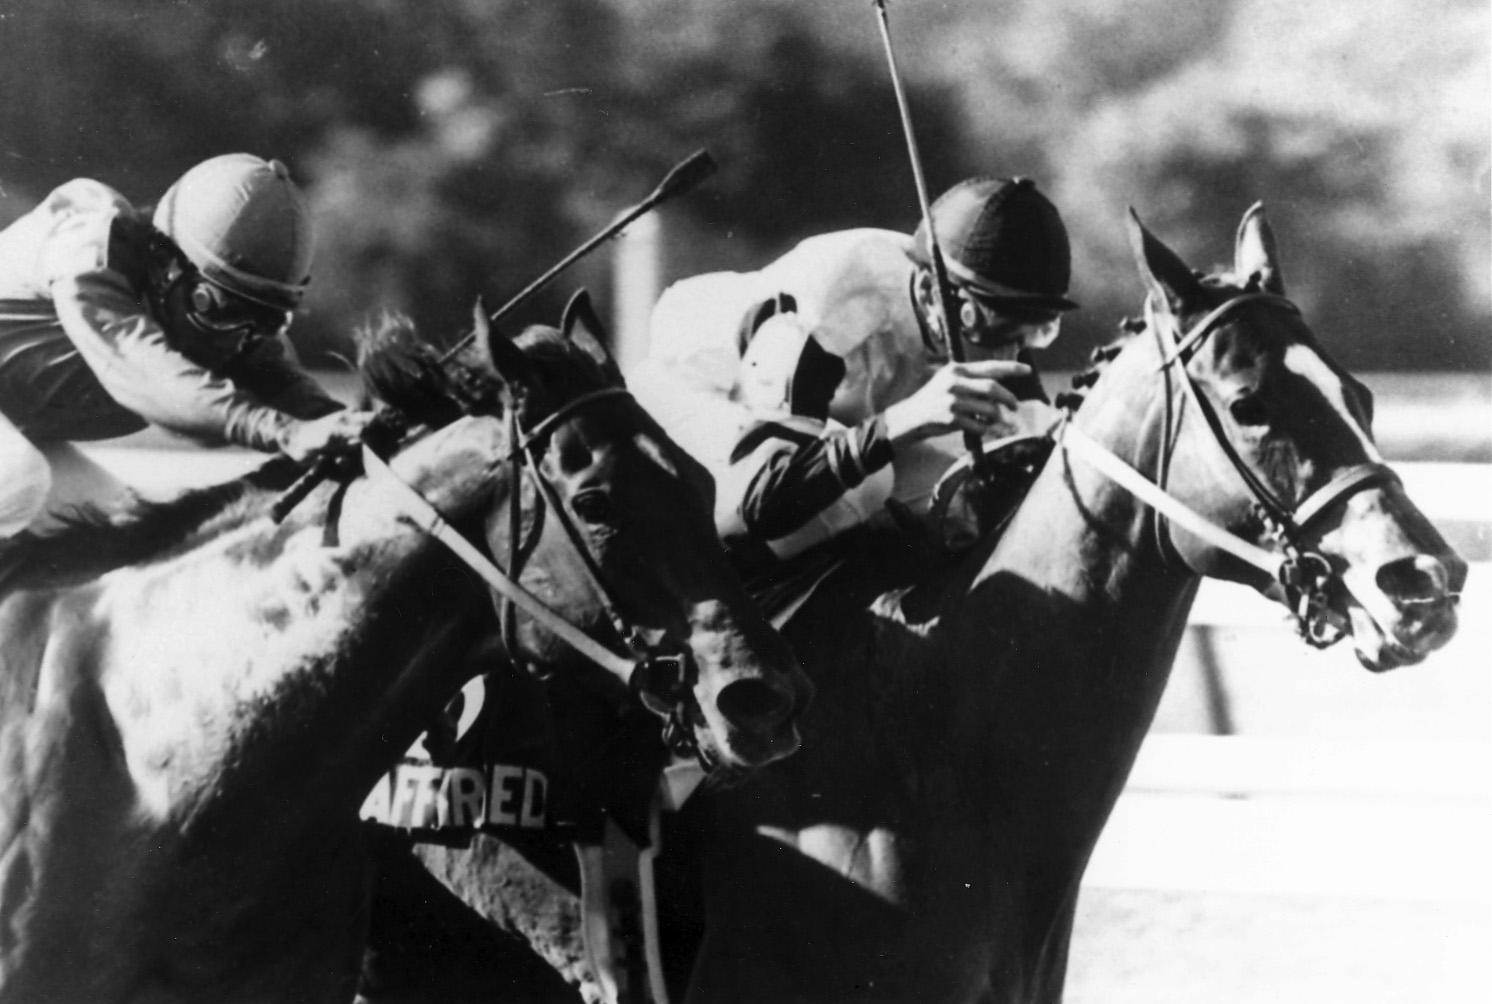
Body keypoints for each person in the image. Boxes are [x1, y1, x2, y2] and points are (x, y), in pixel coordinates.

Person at [633, 176, 1077, 609]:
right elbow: (766, 504)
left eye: (1037, 330)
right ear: (929, 291)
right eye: (992, 325)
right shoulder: (829, 307)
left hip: (824, 429)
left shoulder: (981, 315)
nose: (1009, 351)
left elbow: (1037, 445)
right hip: (700, 403)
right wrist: (902, 422)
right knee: (870, 483)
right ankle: (719, 612)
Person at [0, 152, 374, 538]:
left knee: (114, 533)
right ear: (166, 266)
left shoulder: (221, 316)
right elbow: (155, 379)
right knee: (17, 480)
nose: (236, 339)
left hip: (17, 428)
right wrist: (286, 432)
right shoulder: (88, 258)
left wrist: (360, 428)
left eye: (266, 320)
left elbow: (290, 390)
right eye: (217, 307)